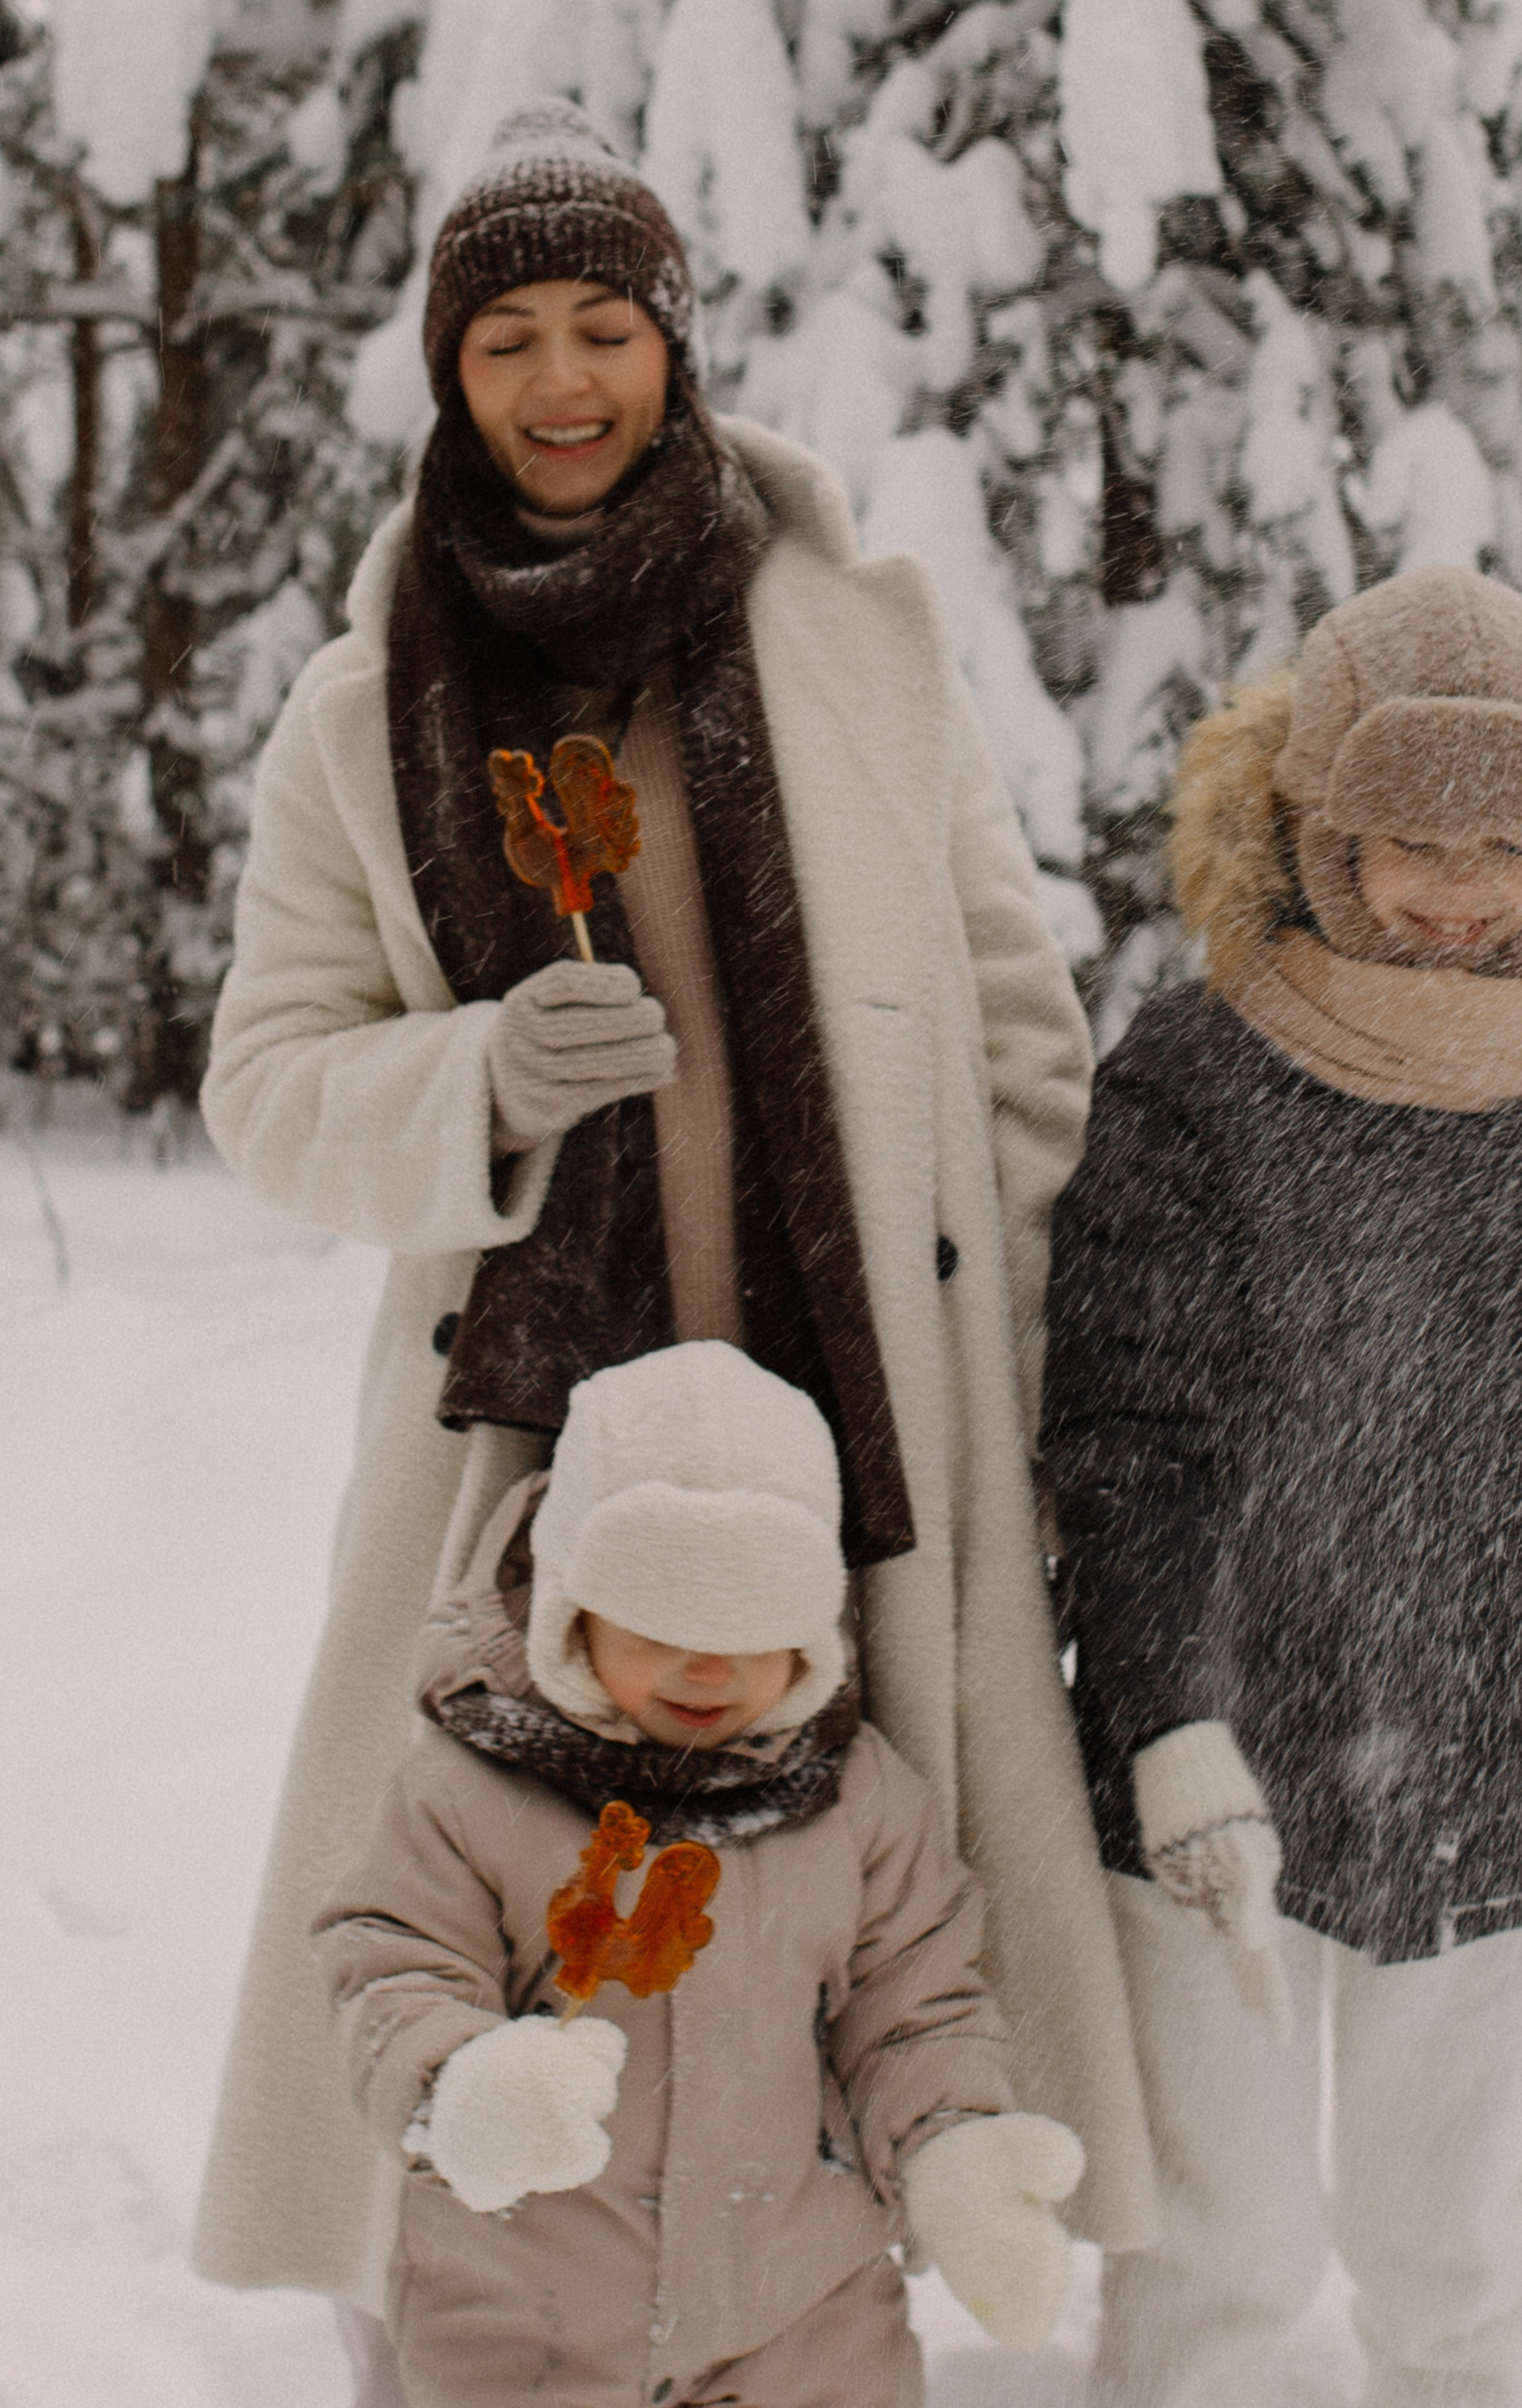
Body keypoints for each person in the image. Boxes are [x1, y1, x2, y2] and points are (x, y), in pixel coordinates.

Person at [192, 95, 1152, 2377]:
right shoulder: (368, 706)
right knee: (478, 1889)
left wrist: (1028, 1356)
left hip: (851, 1402)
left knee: (865, 1904)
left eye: (601, 327)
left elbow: (1015, 1027)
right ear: (452, 373)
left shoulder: (859, 641)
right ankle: (464, 2316)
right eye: (506, 336)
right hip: (530, 1441)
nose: (561, 380)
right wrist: (476, 1085)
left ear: (671, 344)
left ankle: (810, 2307)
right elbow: (267, 1086)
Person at [1041, 565, 1522, 2408]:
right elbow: (1124, 1434)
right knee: (1221, 2238)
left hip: (1478, 1744)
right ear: (1316, 830)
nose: (1463, 892)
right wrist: (1168, 1732)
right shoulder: (1198, 1075)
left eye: (1511, 847)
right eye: (1411, 842)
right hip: (1216, 1750)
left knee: (1443, 2224)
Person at [314, 1342, 1084, 2408]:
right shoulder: (469, 1789)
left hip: (803, 2314)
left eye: (752, 1629)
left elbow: (913, 2012)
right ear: (572, 1602)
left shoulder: (861, 1800)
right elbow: (395, 1964)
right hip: (529, 2320)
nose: (708, 1668)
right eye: (662, 1620)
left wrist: (952, 2153)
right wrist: (462, 2083)